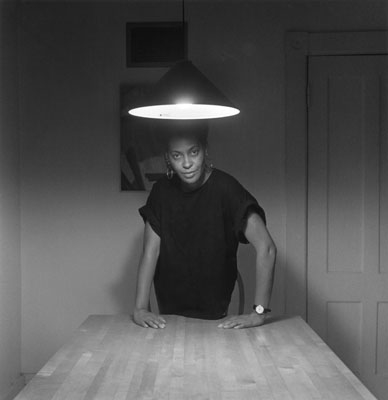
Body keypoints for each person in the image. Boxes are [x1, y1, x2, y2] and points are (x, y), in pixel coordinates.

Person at [133, 121, 276, 329]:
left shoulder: (226, 188)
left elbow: (268, 248)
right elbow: (150, 252)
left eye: (193, 152)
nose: (187, 163)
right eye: (177, 155)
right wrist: (140, 308)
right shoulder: (161, 192)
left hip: (215, 314)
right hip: (168, 314)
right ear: (168, 158)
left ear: (205, 150)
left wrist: (259, 313)